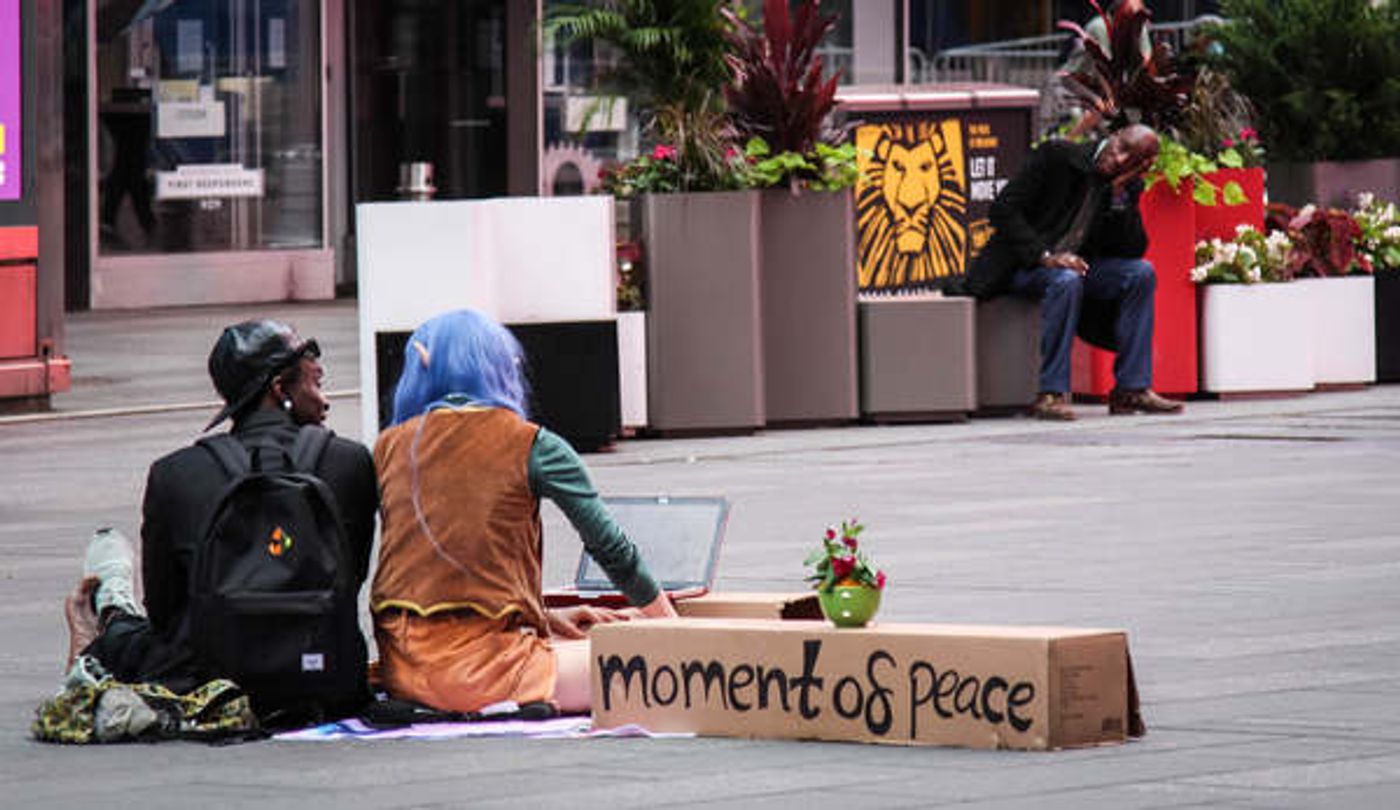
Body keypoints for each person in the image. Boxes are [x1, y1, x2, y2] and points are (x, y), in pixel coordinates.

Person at [61, 320, 379, 716]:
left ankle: (107, 614)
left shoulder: (174, 474)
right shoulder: (351, 462)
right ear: (279, 389)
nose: (325, 402)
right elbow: (351, 580)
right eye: (317, 384)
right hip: (327, 681)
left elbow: (164, 610)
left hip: (206, 681)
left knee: (134, 633)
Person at [371, 309, 677, 715]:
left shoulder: (387, 446)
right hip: (492, 673)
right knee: (660, 660)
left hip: (405, 671)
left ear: (421, 365)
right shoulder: (531, 444)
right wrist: (674, 629)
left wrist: (545, 617)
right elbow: (612, 549)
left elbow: (438, 573)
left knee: (587, 639)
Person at [965, 124, 1184, 421]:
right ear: (1113, 136)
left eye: (1131, 160)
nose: (1120, 160)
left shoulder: (1125, 187)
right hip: (1024, 264)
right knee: (1066, 279)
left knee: (1140, 273)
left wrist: (1119, 197)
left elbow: (1132, 250)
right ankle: (1051, 393)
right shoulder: (1057, 156)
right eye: (1121, 148)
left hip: (1076, 268)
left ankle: (1131, 389)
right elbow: (1003, 210)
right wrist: (1045, 256)